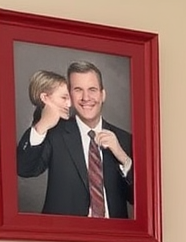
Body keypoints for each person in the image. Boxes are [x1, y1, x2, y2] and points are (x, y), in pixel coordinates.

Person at [16, 59, 134, 217]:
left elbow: (138, 199)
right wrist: (42, 125)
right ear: (70, 95)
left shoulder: (125, 139)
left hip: (115, 239)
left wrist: (124, 159)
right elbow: (24, 169)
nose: (86, 97)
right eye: (78, 89)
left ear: (102, 94)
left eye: (92, 89)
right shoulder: (54, 133)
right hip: (64, 237)